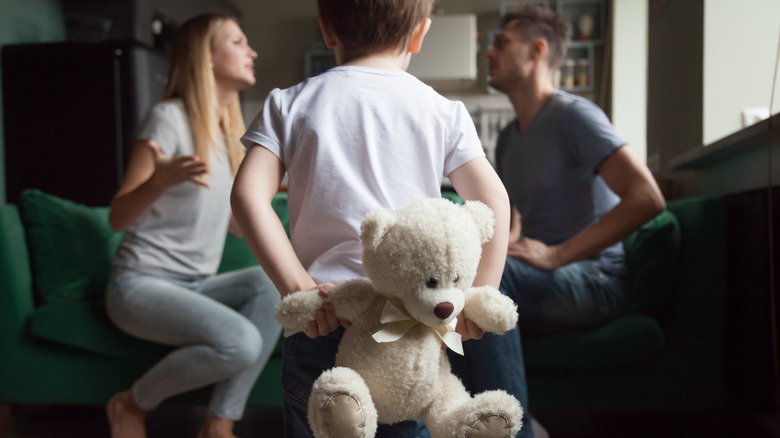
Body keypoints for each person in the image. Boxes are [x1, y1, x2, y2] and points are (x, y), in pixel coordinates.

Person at [230, 1, 536, 437]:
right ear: (419, 34)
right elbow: (494, 202)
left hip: (325, 317)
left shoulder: (288, 103)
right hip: (410, 320)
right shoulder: (442, 110)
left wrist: (297, 287)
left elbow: (247, 196)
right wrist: (476, 296)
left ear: (327, 27)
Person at [104, 13, 281, 438]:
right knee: (241, 342)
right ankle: (130, 404)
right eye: (238, 42)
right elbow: (117, 217)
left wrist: (282, 188)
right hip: (140, 285)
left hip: (196, 284)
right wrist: (158, 181)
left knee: (273, 286)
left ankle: (219, 423)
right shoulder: (168, 119)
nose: (252, 52)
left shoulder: (227, 136)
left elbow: (238, 226)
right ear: (207, 56)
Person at [486, 5, 666, 333]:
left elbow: (647, 197)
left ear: (537, 50)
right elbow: (516, 218)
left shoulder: (575, 117)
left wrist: (555, 255)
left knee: (493, 280)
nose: (490, 52)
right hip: (543, 275)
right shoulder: (507, 140)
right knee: (473, 270)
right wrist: (501, 248)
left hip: (596, 279)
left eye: (502, 43)